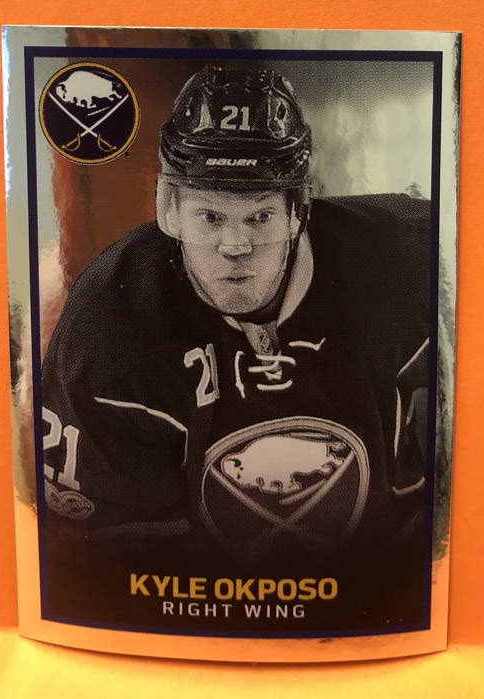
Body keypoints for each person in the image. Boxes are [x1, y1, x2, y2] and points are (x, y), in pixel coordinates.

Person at [42, 65, 430, 630]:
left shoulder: (413, 259)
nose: (235, 244)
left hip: (386, 596)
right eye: (210, 216)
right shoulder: (108, 321)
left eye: (260, 215)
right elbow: (104, 555)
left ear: (299, 211)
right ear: (170, 210)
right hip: (197, 612)